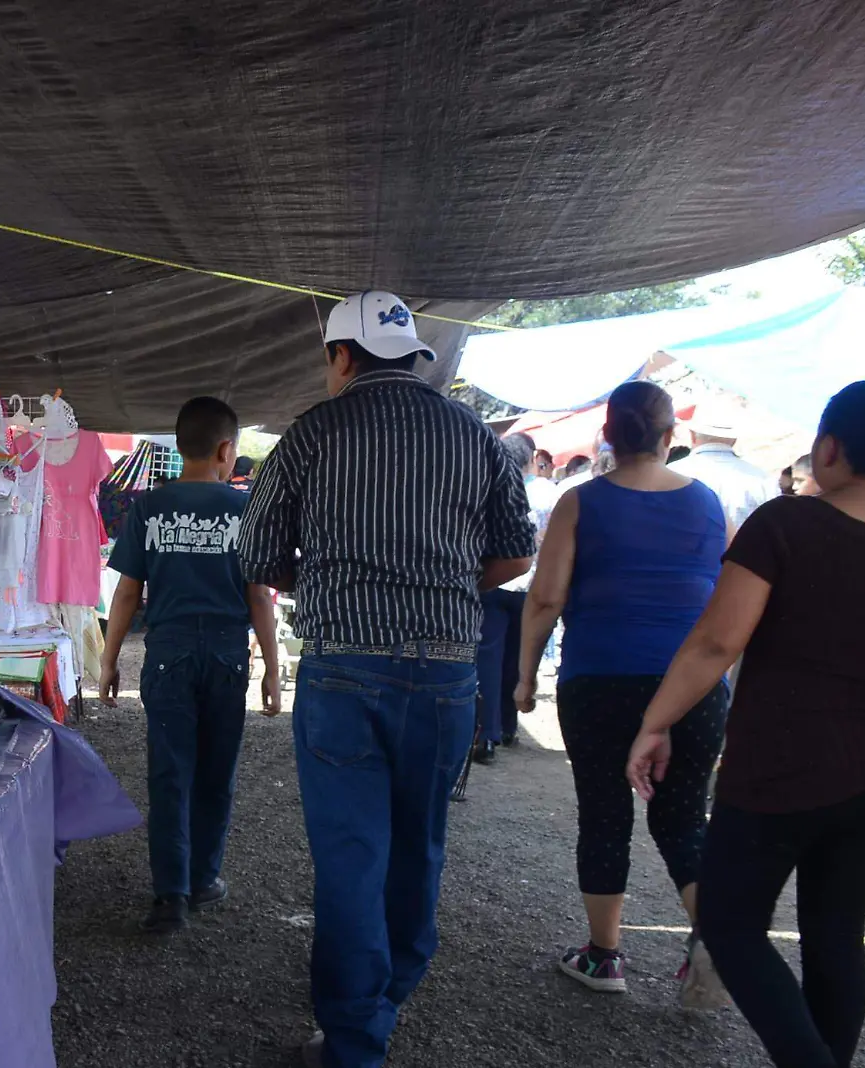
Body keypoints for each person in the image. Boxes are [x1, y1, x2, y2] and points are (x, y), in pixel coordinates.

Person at [237, 291, 534, 1068]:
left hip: (343, 668)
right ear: (413, 357)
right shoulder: (474, 434)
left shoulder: (313, 432)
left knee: (350, 856)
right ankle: (390, 994)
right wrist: (442, 588)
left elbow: (259, 557)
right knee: (418, 845)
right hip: (446, 671)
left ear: (341, 357)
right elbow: (515, 551)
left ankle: (353, 1037)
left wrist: (336, 583)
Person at [627, 379, 865, 1068]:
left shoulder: (786, 524)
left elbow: (718, 642)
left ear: (829, 447)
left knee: (730, 921)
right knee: (835, 934)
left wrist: (655, 722)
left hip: (781, 762)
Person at [513, 381, 729, 1003]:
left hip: (600, 677)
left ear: (607, 436)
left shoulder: (583, 502)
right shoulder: (710, 503)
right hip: (691, 684)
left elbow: (546, 596)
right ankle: (712, 936)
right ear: (669, 438)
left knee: (605, 813)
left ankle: (604, 958)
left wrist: (526, 677)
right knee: (684, 814)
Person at [101, 396, 278, 934]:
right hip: (227, 652)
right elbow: (260, 598)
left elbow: (127, 594)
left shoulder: (149, 509)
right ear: (227, 450)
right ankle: (204, 879)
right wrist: (272, 665)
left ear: (180, 448)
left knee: (170, 771)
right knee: (216, 772)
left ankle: (169, 895)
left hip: (169, 653)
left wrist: (108, 661)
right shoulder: (246, 510)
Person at [472, 432, 558, 763]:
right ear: (532, 458)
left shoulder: (489, 482)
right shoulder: (549, 492)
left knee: (489, 659)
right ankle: (510, 725)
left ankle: (487, 732)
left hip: (495, 580)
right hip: (534, 586)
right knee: (520, 658)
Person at [671, 398, 777, 539]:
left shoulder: (672, 472)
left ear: (692, 435)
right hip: (742, 558)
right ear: (734, 439)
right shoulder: (764, 481)